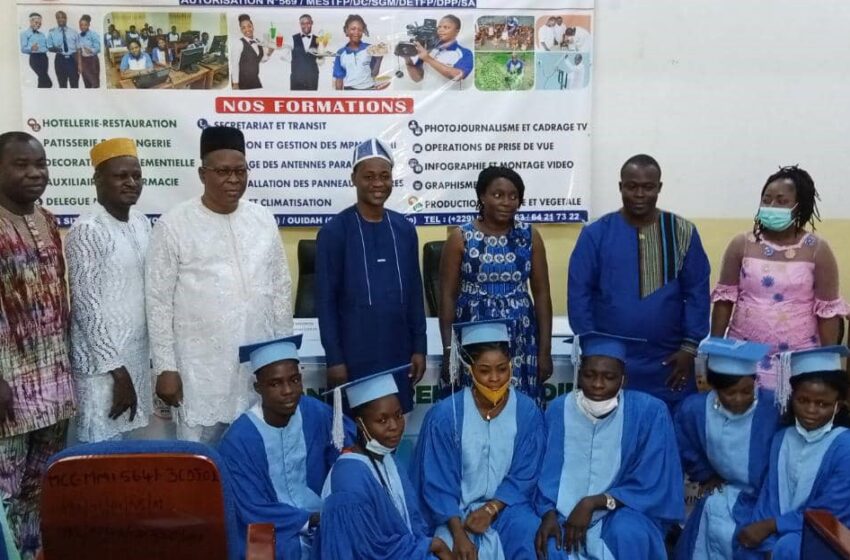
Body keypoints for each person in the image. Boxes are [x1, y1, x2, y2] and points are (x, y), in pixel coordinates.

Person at [145, 126, 293, 444]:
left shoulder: (262, 219)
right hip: (200, 369)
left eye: (240, 171)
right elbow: (158, 302)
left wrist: (284, 355)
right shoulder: (174, 224)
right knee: (201, 457)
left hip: (256, 365)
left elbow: (280, 288)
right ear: (202, 174)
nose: (233, 179)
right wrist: (165, 367)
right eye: (223, 171)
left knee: (255, 450)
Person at [568, 154, 711, 409]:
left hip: (670, 361)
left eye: (648, 187)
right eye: (632, 186)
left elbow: (697, 292)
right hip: (610, 362)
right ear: (620, 187)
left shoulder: (682, 232)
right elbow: (579, 294)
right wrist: (594, 350)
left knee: (668, 426)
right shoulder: (596, 233)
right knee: (615, 425)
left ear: (659, 188)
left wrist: (689, 348)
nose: (640, 194)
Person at [534, 332, 684, 559]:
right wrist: (548, 513)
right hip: (564, 514)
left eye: (609, 377)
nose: (597, 384)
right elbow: (544, 473)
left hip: (623, 511)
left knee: (629, 532)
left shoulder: (649, 412)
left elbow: (653, 481)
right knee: (549, 544)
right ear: (579, 374)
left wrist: (594, 502)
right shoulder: (558, 410)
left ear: (624, 379)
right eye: (589, 375)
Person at [0, 132, 75, 558]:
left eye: (41, 164)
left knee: (39, 489)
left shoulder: (47, 220)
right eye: (21, 165)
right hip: (8, 386)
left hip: (53, 384)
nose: (35, 173)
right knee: (4, 490)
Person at [412, 319, 544, 560]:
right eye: (484, 370)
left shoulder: (526, 412)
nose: (495, 378)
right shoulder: (446, 415)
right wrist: (458, 534)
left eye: (502, 369)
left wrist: (491, 508)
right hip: (455, 514)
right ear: (469, 368)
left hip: (508, 509)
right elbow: (437, 483)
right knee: (447, 551)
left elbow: (525, 474)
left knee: (531, 535)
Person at [710, 166, 848, 390]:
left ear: (799, 205)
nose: (771, 206)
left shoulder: (817, 250)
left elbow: (828, 313)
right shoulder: (741, 244)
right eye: (766, 200)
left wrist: (827, 364)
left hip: (799, 359)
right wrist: (715, 350)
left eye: (782, 201)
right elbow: (724, 300)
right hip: (743, 356)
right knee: (745, 406)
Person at [316, 139, 426, 412]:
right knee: (355, 425)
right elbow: (325, 303)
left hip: (398, 350)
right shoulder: (334, 232)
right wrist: (334, 359)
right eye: (369, 176)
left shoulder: (404, 229)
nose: (378, 183)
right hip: (354, 354)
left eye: (384, 176)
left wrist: (419, 347)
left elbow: (415, 293)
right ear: (353, 178)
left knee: (393, 423)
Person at [219, 335, 351, 560]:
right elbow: (251, 506)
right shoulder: (239, 440)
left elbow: (346, 451)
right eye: (275, 384)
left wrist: (340, 500)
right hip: (271, 527)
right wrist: (309, 520)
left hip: (321, 513)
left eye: (294, 380)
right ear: (258, 387)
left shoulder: (315, 413)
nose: (288, 390)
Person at [439, 166, 552, 404]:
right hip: (474, 334)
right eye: (498, 195)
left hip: (521, 335)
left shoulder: (529, 236)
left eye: (513, 196)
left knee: (520, 402)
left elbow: (542, 295)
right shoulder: (461, 237)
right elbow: (447, 297)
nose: (506, 202)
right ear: (482, 196)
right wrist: (449, 351)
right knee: (476, 401)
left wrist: (544, 351)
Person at [66, 138, 151, 443]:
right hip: (102, 369)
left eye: (136, 176)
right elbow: (86, 306)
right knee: (100, 451)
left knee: (128, 449)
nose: (131, 183)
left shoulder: (141, 222)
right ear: (98, 180)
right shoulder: (88, 230)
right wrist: (117, 371)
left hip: (135, 357)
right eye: (120, 176)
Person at [321, 367, 454, 560]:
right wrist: (432, 545)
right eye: (382, 420)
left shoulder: (388, 459)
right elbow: (365, 550)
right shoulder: (349, 478)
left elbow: (413, 525)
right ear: (360, 423)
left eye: (398, 415)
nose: (394, 426)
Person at [736, 347, 850, 559]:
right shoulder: (782, 438)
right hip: (778, 532)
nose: (811, 410)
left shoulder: (845, 447)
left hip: (825, 535)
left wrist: (772, 526)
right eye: (803, 400)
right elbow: (769, 499)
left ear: (838, 406)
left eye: (822, 404)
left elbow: (830, 514)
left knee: (790, 547)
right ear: (791, 398)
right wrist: (766, 538)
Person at [673, 337, 781, 560]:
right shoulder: (695, 409)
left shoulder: (773, 408)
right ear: (714, 388)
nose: (739, 399)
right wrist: (706, 474)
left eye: (747, 391)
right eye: (729, 393)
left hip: (764, 499)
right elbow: (685, 446)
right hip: (723, 491)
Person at [403, 15, 473, 90]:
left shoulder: (465, 53)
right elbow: (417, 78)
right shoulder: (429, 50)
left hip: (451, 97)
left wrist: (428, 59)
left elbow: (458, 76)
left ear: (457, 31)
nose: (440, 30)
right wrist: (407, 59)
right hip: (427, 96)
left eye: (446, 27)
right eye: (439, 27)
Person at [333, 15, 385, 90]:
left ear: (363, 31)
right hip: (349, 90)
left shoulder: (370, 49)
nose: (356, 32)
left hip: (369, 89)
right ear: (346, 30)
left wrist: (379, 59)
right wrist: (339, 95)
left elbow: (374, 74)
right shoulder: (340, 53)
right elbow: (339, 78)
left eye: (360, 29)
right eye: (353, 29)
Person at [233, 14, 273, 90]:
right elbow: (235, 64)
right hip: (242, 82)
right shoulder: (239, 43)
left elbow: (261, 60)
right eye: (243, 28)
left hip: (255, 80)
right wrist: (235, 84)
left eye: (249, 26)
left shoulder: (258, 41)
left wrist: (269, 52)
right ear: (241, 30)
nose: (247, 29)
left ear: (253, 26)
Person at [47, 11, 80, 88]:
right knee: (62, 85)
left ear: (66, 19)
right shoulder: (52, 32)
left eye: (63, 17)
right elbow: (49, 47)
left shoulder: (73, 32)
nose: (60, 19)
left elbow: (78, 49)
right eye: (58, 18)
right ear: (56, 19)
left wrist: (79, 63)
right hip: (60, 59)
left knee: (74, 85)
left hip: (72, 59)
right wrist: (56, 49)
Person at [20, 13, 52, 88]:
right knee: (46, 80)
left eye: (40, 23)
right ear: (31, 21)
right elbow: (23, 49)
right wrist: (31, 48)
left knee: (42, 79)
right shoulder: (24, 34)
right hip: (35, 58)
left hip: (44, 58)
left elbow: (46, 47)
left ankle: (41, 93)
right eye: (36, 22)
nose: (38, 25)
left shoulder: (42, 34)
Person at [291, 14, 319, 91]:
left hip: (312, 78)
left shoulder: (318, 40)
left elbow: (321, 61)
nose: (305, 26)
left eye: (308, 23)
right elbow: (286, 57)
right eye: (303, 23)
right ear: (300, 24)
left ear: (312, 23)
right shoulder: (292, 38)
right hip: (296, 79)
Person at [76, 15, 100, 88]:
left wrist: (91, 50)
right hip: (83, 61)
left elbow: (98, 48)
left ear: (89, 25)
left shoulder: (93, 34)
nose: (83, 27)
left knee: (95, 83)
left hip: (92, 60)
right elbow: (79, 51)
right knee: (86, 83)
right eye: (81, 25)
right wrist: (79, 64)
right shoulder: (78, 36)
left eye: (85, 25)